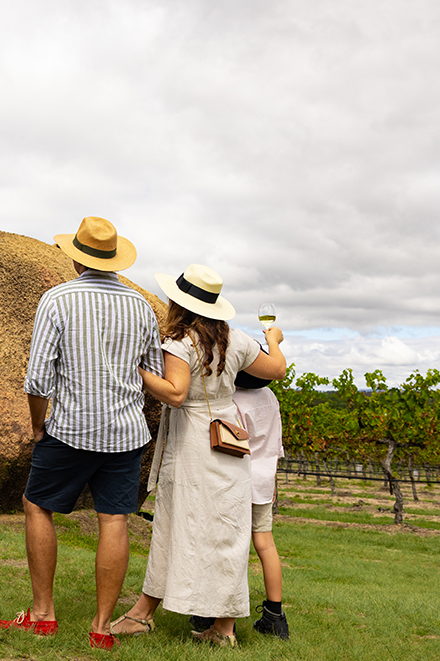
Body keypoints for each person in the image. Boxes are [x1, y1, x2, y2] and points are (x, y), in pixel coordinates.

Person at [0, 216, 164, 651]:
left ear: (76, 258)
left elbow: (37, 380)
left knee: (37, 505)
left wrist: (38, 424)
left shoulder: (58, 299)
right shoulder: (141, 306)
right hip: (125, 433)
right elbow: (153, 374)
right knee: (114, 519)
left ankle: (43, 615)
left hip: (70, 428)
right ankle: (102, 627)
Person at [113, 264, 285, 648]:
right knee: (228, 535)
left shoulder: (180, 343)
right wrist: (274, 339)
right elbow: (277, 369)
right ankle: (223, 628)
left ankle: (143, 614)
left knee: (176, 525)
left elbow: (176, 394)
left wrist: (137, 371)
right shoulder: (236, 339)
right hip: (230, 442)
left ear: (180, 303)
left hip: (193, 442)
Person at [191, 365, 291, 639]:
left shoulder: (230, 399)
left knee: (225, 546)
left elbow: (229, 444)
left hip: (238, 480)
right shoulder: (270, 397)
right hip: (264, 479)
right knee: (266, 544)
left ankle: (216, 615)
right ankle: (274, 616)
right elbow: (276, 444)